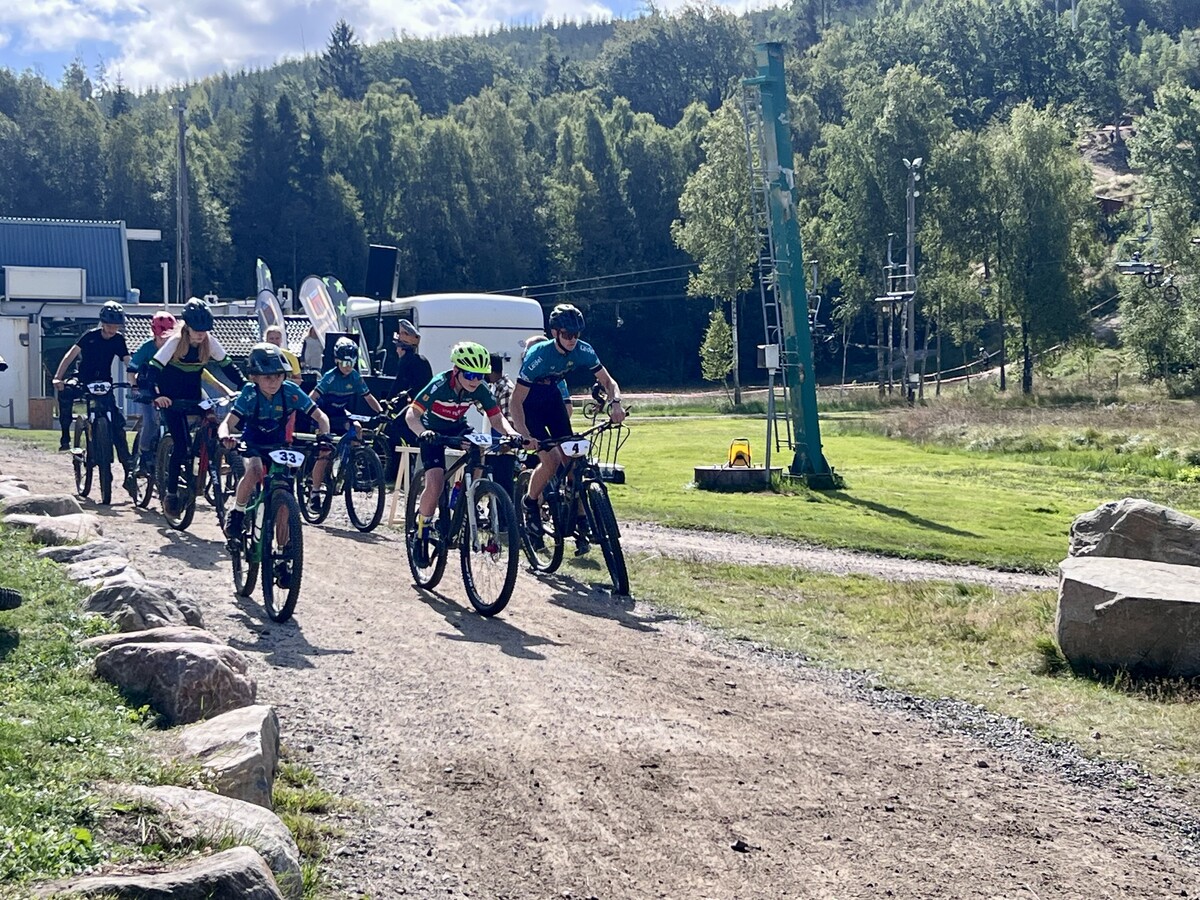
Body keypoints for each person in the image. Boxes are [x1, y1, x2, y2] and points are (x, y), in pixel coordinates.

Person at [510, 304, 625, 551]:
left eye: (576, 334)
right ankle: (530, 503)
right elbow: (516, 401)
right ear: (555, 333)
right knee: (551, 461)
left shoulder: (584, 350)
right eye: (567, 334)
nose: (572, 339)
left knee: (574, 459)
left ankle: (581, 518)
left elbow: (608, 381)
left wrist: (615, 403)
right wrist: (524, 434)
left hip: (552, 398)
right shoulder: (538, 356)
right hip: (530, 404)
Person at [405, 341, 529, 565]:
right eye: (470, 375)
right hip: (432, 431)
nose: (475, 380)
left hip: (457, 426)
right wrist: (423, 433)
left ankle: (466, 493)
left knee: (479, 447)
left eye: (480, 375)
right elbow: (412, 414)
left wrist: (512, 433)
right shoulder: (439, 385)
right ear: (456, 370)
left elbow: (496, 418)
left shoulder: (480, 389)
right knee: (435, 483)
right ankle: (421, 532)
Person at [220, 343, 330, 566]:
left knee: (284, 494)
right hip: (253, 442)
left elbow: (321, 417)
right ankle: (237, 512)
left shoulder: (290, 391)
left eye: (278, 376)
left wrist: (324, 436)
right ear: (254, 377)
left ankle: (282, 551)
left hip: (279, 445)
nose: (273, 382)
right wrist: (226, 437)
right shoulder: (249, 394)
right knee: (254, 470)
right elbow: (227, 423)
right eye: (267, 377)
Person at [147, 298, 246, 517]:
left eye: (204, 330)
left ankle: (212, 456)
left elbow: (229, 368)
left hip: (194, 395)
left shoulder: (209, 342)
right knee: (181, 446)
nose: (201, 334)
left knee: (213, 422)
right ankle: (171, 494)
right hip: (171, 398)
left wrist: (245, 386)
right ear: (187, 327)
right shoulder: (175, 342)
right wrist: (157, 395)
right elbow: (151, 372)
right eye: (197, 330)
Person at [51, 300, 137, 496]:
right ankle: (65, 436)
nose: (112, 330)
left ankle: (129, 473)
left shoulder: (119, 340)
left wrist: (135, 378)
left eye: (116, 326)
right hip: (83, 379)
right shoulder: (89, 336)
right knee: (65, 393)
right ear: (102, 323)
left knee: (118, 424)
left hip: (104, 382)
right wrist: (58, 377)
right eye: (109, 326)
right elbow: (70, 355)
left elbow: (127, 361)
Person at [306, 337, 384, 512]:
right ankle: (315, 493)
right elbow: (313, 397)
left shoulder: (355, 377)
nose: (348, 367)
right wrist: (309, 412)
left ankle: (355, 462)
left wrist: (380, 412)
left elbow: (368, 397)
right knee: (325, 454)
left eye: (352, 363)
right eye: (345, 363)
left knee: (357, 428)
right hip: (324, 416)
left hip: (340, 415)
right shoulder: (330, 377)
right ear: (336, 361)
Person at [382, 320, 433, 482]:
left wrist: (388, 400)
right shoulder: (422, 359)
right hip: (427, 404)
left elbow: (399, 383)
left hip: (419, 405)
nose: (396, 350)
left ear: (403, 348)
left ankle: (412, 448)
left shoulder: (406, 360)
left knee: (396, 424)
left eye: (398, 346)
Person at [127, 311, 177, 474]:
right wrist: (134, 387)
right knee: (151, 422)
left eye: (169, 338)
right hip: (146, 388)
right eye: (162, 338)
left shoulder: (176, 348)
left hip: (166, 389)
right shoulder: (147, 347)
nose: (166, 342)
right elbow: (131, 370)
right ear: (155, 335)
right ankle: (144, 454)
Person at [485, 353, 518, 503]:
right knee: (494, 486)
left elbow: (508, 417)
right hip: (494, 446)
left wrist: (507, 442)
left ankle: (506, 517)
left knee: (503, 488)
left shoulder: (506, 388)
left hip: (503, 449)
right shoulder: (495, 387)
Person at [300, 325, 324, 392]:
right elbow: (303, 350)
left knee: (317, 376)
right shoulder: (307, 340)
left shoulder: (320, 341)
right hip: (308, 360)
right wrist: (302, 360)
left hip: (317, 361)